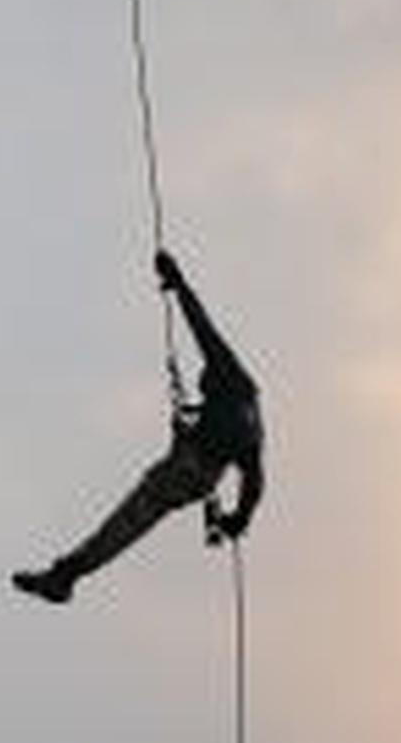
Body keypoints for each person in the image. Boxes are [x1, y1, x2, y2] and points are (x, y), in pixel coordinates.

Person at [13, 251, 263, 603]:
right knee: (131, 522)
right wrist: (240, 517)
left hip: (188, 469)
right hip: (200, 475)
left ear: (215, 381)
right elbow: (255, 479)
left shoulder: (223, 368)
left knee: (127, 522)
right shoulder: (249, 413)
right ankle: (67, 572)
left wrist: (178, 282)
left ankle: (66, 575)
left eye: (204, 386)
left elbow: (202, 326)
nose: (202, 389)